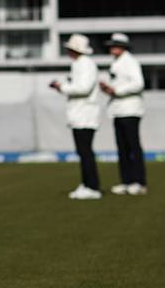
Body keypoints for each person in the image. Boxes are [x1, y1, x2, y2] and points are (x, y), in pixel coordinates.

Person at [50, 34, 102, 199]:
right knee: (82, 151)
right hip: (79, 113)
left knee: (85, 151)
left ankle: (92, 187)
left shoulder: (85, 64)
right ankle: (87, 184)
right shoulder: (79, 64)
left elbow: (83, 88)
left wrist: (62, 86)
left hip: (85, 114)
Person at [100, 32, 146, 195]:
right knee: (122, 148)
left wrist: (117, 90)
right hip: (118, 110)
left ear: (123, 47)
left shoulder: (130, 62)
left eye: (115, 45)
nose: (112, 48)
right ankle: (126, 181)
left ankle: (139, 182)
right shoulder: (116, 63)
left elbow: (138, 84)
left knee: (133, 146)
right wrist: (108, 89)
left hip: (130, 109)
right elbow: (116, 87)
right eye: (111, 45)